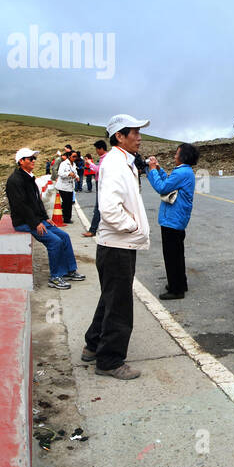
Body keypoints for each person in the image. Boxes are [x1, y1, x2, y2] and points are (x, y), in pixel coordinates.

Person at [83, 118, 152, 379]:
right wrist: (132, 226)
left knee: (111, 297)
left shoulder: (122, 161)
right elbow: (109, 209)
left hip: (117, 244)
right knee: (120, 305)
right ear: (119, 137)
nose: (139, 137)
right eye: (134, 132)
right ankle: (110, 361)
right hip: (118, 244)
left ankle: (92, 345)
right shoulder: (114, 164)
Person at [5, 147, 81, 287]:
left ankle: (69, 270)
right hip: (25, 222)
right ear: (21, 161)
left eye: (34, 158)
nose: (34, 161)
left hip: (36, 219)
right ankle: (55, 277)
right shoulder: (15, 181)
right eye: (30, 158)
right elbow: (21, 206)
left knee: (64, 237)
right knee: (55, 241)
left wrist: (45, 217)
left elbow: (36, 201)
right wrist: (35, 223)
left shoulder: (28, 177)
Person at [147, 141, 198, 299]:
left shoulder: (182, 172)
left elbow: (162, 187)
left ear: (183, 156)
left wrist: (152, 170)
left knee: (171, 255)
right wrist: (158, 168)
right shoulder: (184, 171)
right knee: (177, 253)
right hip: (177, 219)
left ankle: (176, 290)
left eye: (177, 153)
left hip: (172, 220)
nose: (175, 155)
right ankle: (179, 283)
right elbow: (168, 181)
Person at [81, 140, 106, 235]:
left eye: (97, 149)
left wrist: (90, 163)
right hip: (99, 182)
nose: (96, 151)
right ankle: (93, 229)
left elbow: (100, 170)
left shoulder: (105, 158)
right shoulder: (102, 158)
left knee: (98, 207)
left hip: (102, 184)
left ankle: (93, 230)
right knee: (98, 207)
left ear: (101, 148)